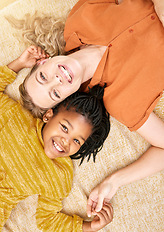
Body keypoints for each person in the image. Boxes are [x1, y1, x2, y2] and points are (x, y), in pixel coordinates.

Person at [9, 0, 164, 216]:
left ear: (43, 62)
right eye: (55, 93)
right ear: (67, 98)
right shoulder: (120, 101)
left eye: (43, 77)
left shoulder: (78, 21)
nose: (57, 79)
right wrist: (114, 181)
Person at [0, 46, 112, 232]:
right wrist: (19, 64)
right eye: (65, 128)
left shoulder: (61, 174)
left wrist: (89, 227)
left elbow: (46, 220)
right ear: (48, 115)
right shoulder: (15, 118)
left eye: (77, 140)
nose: (65, 141)